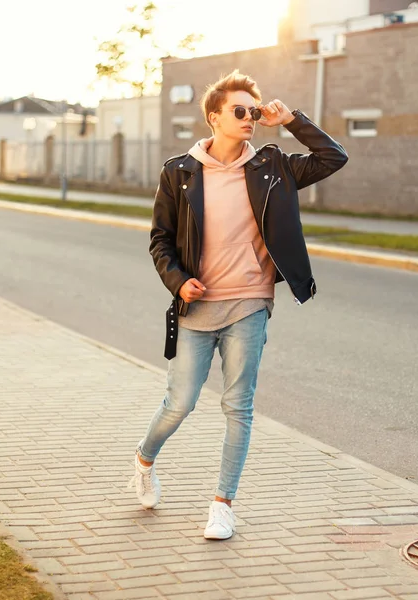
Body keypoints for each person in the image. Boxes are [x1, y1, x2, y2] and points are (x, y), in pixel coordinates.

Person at [130, 69, 348, 540]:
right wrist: (178, 281)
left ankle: (222, 504)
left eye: (255, 109)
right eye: (240, 110)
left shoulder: (274, 167)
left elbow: (333, 156)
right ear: (215, 117)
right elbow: (160, 240)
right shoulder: (179, 172)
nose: (250, 117)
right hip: (197, 306)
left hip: (250, 302)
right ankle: (144, 461)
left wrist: (291, 119)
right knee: (180, 403)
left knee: (238, 407)